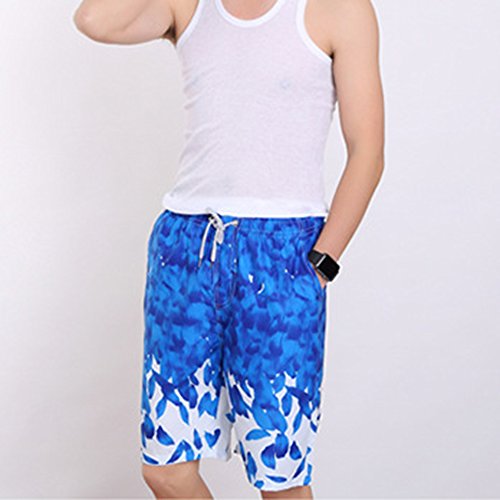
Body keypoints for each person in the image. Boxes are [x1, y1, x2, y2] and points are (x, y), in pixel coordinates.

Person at [74, 0, 384, 497]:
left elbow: (367, 150)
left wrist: (320, 264)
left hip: (283, 255)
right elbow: (94, 20)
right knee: (165, 469)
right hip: (186, 249)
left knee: (280, 476)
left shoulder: (339, 10)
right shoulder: (189, 5)